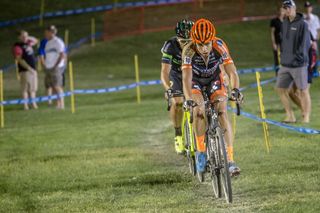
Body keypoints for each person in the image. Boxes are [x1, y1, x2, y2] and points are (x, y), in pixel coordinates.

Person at [181, 18, 243, 176]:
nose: (204, 48)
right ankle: (201, 152)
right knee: (199, 111)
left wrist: (235, 89)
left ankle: (230, 161)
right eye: (200, 44)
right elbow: (186, 78)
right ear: (194, 41)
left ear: (212, 40)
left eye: (207, 44)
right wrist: (188, 98)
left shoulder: (219, 45)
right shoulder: (188, 51)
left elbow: (232, 71)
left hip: (214, 80)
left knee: (222, 111)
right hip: (195, 82)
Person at [160, 19, 194, 154]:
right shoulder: (170, 45)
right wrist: (168, 89)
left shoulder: (198, 44)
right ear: (177, 39)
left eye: (188, 41)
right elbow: (164, 71)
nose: (186, 45)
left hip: (192, 73)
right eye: (182, 42)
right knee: (178, 102)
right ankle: (178, 133)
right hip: (176, 75)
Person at [277, 0, 311, 123]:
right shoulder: (284, 23)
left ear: (294, 8)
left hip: (298, 64)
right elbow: (283, 41)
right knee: (281, 89)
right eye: (284, 8)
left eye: (289, 7)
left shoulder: (303, 24)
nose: (287, 10)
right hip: (285, 64)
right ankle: (290, 115)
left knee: (303, 90)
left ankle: (306, 116)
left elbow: (305, 44)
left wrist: (298, 59)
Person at [41, 25, 66, 109]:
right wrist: (45, 65)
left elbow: (62, 55)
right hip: (48, 67)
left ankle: (61, 105)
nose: (45, 34)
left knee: (57, 86)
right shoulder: (47, 43)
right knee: (52, 86)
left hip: (56, 67)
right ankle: (57, 104)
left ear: (51, 33)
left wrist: (56, 65)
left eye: (46, 32)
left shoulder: (58, 42)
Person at [12, 30, 39, 110]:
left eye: (26, 36)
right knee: (25, 89)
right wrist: (29, 68)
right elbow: (19, 59)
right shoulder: (17, 46)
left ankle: (34, 104)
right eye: (23, 36)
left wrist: (28, 37)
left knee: (33, 88)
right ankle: (25, 106)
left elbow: (36, 40)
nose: (25, 38)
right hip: (25, 70)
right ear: (19, 37)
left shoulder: (28, 43)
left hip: (33, 69)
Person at [270, 7, 285, 74]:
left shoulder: (286, 21)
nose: (281, 12)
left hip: (284, 43)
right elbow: (272, 33)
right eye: (280, 11)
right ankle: (278, 74)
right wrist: (273, 43)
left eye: (282, 11)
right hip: (277, 43)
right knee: (277, 59)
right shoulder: (274, 21)